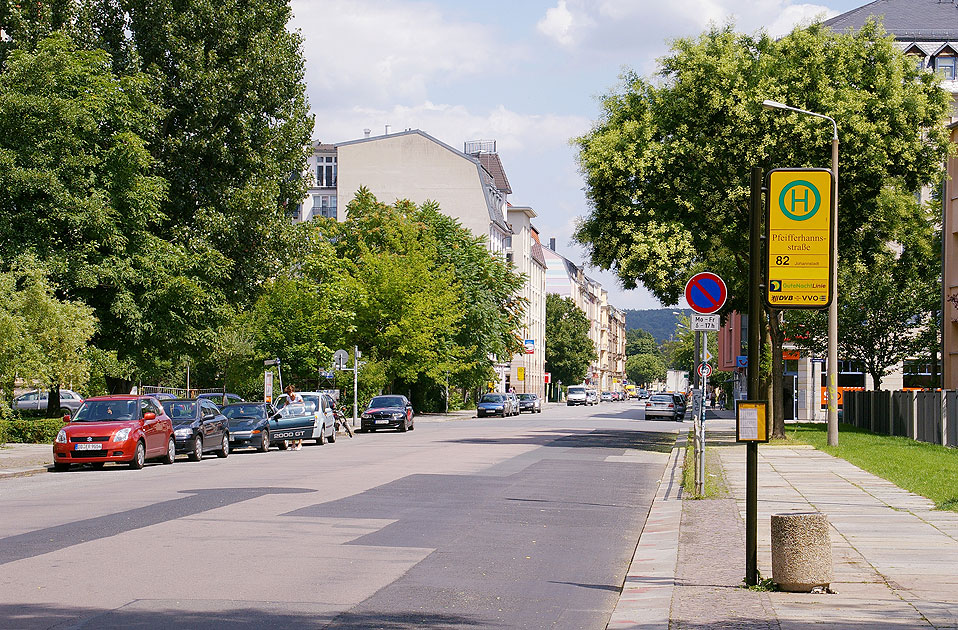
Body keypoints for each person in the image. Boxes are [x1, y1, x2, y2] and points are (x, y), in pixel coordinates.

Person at [285, 385, 304, 450]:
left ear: (292, 391)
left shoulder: (298, 396)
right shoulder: (288, 398)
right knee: (292, 429)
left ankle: (300, 443)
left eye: (289, 392)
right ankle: (293, 444)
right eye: (287, 393)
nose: (288, 394)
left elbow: (302, 404)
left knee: (299, 429)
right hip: (292, 415)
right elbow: (286, 405)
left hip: (299, 414)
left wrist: (295, 405)